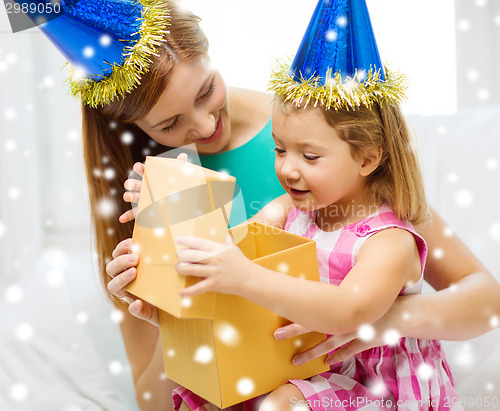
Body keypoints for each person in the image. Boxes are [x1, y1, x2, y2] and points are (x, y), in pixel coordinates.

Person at [33, 0, 499, 409]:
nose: (203, 125)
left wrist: (377, 316)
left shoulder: (316, 132)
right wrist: (169, 314)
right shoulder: (156, 190)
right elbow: (155, 402)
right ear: (136, 128)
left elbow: (485, 300)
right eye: (170, 123)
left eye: (205, 91)